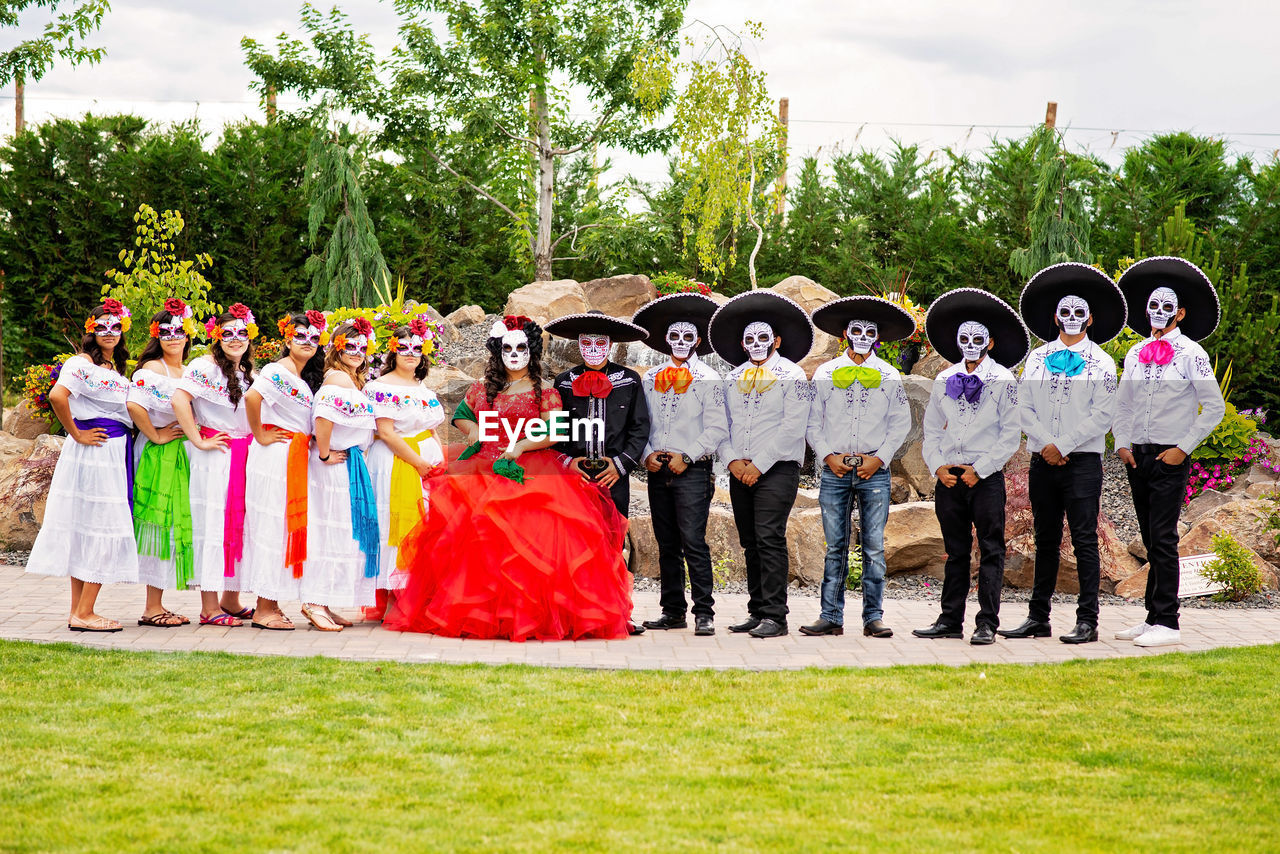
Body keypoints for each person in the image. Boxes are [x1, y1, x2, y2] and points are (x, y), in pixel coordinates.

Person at [385, 316, 633, 641]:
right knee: (479, 543)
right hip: (484, 470)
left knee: (535, 546)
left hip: (532, 470)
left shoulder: (544, 389)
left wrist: (520, 446)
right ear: (498, 350)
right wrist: (478, 434)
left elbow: (556, 430)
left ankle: (534, 615)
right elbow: (461, 415)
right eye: (507, 347)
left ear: (530, 349)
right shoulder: (484, 386)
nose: (514, 353)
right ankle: (485, 615)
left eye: (520, 347)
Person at [1000, 263, 1124, 645]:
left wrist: (1064, 445)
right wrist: (1046, 445)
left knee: (1085, 539)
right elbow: (1022, 405)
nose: (1071, 319)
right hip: (1043, 461)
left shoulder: (1102, 362)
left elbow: (1103, 412)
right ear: (1056, 317)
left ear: (1090, 319)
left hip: (1082, 462)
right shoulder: (1037, 359)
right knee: (1046, 537)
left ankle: (1088, 620)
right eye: (1065, 313)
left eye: (1079, 313)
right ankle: (1039, 617)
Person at [1112, 256, 1226, 647]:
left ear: (1179, 313)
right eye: (1152, 307)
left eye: (1166, 308)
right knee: (1148, 535)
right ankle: (1152, 617)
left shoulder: (1192, 354)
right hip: (1138, 456)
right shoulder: (1135, 353)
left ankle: (1170, 623)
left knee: (1163, 537)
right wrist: (1122, 443)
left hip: (1169, 456)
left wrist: (1183, 448)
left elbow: (1214, 407)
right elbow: (1123, 404)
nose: (1158, 314)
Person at [913, 288, 1028, 645]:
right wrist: (937, 467)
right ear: (957, 342)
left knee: (991, 549)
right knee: (955, 551)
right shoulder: (944, 380)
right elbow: (930, 430)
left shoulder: (1004, 381)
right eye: (964, 338)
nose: (971, 344)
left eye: (978, 338)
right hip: (949, 477)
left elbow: (1011, 434)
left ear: (989, 342)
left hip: (986, 477)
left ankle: (986, 623)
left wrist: (983, 467)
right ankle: (949, 620)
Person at [803, 296, 913, 639]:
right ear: (845, 334)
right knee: (835, 545)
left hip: (874, 471)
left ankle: (873, 617)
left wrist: (879, 458)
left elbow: (901, 423)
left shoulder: (888, 374)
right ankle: (830, 615)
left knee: (874, 546)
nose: (862, 335)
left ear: (876, 337)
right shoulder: (825, 373)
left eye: (870, 331)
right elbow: (811, 422)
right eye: (856, 330)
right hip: (834, 470)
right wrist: (827, 457)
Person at [27, 299, 139, 632]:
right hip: (96, 451)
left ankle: (79, 611)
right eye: (102, 326)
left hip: (112, 453)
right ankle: (86, 611)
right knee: (105, 527)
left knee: (90, 528)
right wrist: (76, 433)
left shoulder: (113, 369)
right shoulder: (81, 362)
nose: (109, 332)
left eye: (115, 326)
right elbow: (58, 396)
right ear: (91, 329)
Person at [709, 290, 815, 639]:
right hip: (739, 469)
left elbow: (793, 426)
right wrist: (732, 461)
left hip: (778, 468)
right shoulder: (731, 377)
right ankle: (756, 611)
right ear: (743, 343)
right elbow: (721, 425)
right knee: (750, 540)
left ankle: (776, 616)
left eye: (763, 338)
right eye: (750, 339)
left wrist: (760, 464)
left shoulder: (794, 375)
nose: (756, 343)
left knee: (770, 537)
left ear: (776, 340)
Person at [547, 309, 651, 635]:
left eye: (600, 341)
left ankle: (618, 613)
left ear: (611, 345)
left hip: (613, 477)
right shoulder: (563, 383)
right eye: (587, 342)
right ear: (579, 344)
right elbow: (553, 430)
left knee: (613, 544)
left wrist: (620, 466)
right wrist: (567, 463)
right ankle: (573, 614)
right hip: (573, 478)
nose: (594, 348)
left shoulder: (629, 381)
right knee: (572, 545)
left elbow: (640, 428)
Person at [632, 293, 728, 637]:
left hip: (693, 471)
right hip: (658, 469)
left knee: (693, 541)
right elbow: (641, 423)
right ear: (666, 340)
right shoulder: (650, 377)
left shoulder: (709, 378)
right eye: (675, 336)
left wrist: (686, 455)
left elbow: (718, 427)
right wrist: (647, 456)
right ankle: (672, 611)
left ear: (698, 341)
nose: (682, 342)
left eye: (689, 337)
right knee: (667, 543)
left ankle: (705, 613)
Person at [241, 310, 328, 631]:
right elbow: (252, 397)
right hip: (276, 455)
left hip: (292, 453)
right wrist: (260, 433)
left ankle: (271, 604)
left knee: (281, 526)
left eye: (314, 338)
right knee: (272, 526)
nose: (308, 342)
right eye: (300, 336)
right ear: (287, 339)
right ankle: (264, 609)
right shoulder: (280, 370)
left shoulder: (300, 373)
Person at [172, 305, 258, 627]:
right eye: (227, 333)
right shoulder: (204, 366)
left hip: (243, 455)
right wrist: (198, 440)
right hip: (215, 457)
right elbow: (180, 400)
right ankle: (209, 607)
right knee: (211, 525)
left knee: (236, 525)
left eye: (241, 333)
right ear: (216, 337)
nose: (235, 339)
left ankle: (230, 599)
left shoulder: (249, 373)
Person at [301, 318, 381, 631]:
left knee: (341, 531)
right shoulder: (336, 378)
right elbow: (323, 416)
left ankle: (324, 600)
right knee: (328, 530)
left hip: (347, 464)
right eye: (350, 346)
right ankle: (314, 601)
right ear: (337, 347)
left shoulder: (349, 379)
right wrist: (323, 453)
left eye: (362, 346)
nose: (357, 351)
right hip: (332, 468)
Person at [364, 317, 446, 620]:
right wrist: (419, 462)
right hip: (395, 463)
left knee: (424, 528)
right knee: (395, 525)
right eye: (404, 348)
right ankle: (392, 600)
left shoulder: (422, 388)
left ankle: (417, 595)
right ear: (393, 351)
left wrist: (439, 462)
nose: (410, 353)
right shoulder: (379, 387)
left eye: (416, 348)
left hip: (428, 466)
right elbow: (385, 432)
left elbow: (433, 428)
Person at [127, 299, 197, 627]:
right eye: (165, 331)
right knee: (157, 525)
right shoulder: (153, 369)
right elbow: (135, 404)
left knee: (174, 524)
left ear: (188, 334)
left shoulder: (189, 370)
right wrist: (154, 435)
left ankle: (159, 604)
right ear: (157, 335)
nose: (173, 336)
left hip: (183, 453)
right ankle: (152, 607)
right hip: (158, 454)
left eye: (179, 330)